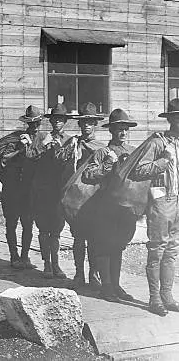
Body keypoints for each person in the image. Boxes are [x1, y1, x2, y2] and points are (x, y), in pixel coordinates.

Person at [81, 109, 138, 302]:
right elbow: (87, 175)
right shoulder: (102, 152)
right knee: (105, 245)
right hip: (105, 206)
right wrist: (107, 165)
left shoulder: (133, 152)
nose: (122, 133)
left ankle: (116, 285)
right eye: (118, 129)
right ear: (111, 131)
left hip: (126, 208)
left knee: (119, 245)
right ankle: (106, 287)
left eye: (125, 129)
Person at [130, 98, 179, 316]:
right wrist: (163, 160)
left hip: (177, 201)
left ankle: (168, 296)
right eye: (177, 117)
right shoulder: (158, 143)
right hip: (161, 200)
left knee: (173, 249)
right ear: (171, 119)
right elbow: (139, 170)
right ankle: (154, 298)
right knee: (157, 248)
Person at [56, 102, 106, 285]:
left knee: (94, 238)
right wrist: (69, 149)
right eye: (84, 122)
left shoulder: (101, 147)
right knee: (78, 237)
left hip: (94, 199)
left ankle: (94, 274)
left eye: (90, 122)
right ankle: (79, 274)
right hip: (75, 198)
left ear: (95, 124)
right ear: (79, 124)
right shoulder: (73, 143)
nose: (87, 125)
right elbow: (60, 161)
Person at [0, 105, 47, 269]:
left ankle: (25, 257)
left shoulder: (42, 139)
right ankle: (14, 256)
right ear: (26, 124)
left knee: (28, 223)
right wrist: (20, 148)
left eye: (37, 123)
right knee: (11, 223)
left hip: (29, 189)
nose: (34, 127)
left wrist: (35, 146)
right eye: (31, 123)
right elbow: (4, 159)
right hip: (12, 188)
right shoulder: (17, 139)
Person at [31, 103, 71, 279]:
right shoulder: (42, 137)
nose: (57, 123)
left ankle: (56, 264)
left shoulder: (69, 140)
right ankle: (47, 264)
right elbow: (30, 156)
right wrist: (44, 145)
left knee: (56, 230)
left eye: (60, 120)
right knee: (43, 229)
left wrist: (60, 151)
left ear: (65, 122)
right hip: (42, 190)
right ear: (51, 121)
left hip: (59, 191)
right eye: (55, 120)